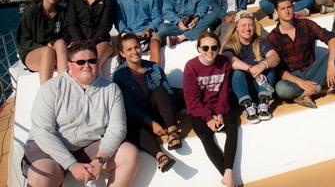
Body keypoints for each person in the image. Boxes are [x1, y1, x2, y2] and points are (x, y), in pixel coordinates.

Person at [23, 42, 138, 187]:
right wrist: (71, 165)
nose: (87, 65)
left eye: (92, 61)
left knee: (129, 154)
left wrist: (100, 160)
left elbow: (117, 128)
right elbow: (42, 131)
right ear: (69, 65)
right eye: (80, 62)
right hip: (51, 148)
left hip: (89, 145)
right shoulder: (51, 88)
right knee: (42, 177)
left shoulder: (111, 89)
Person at [112, 33, 181, 173]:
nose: (134, 52)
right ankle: (160, 156)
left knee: (160, 90)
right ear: (122, 53)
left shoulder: (154, 67)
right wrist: (149, 122)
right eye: (129, 49)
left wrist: (165, 115)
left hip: (160, 113)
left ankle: (173, 132)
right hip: (140, 119)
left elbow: (169, 94)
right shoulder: (119, 75)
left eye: (136, 47)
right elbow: (129, 107)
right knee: (129, 124)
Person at [183, 32, 238, 187]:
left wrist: (219, 113)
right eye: (205, 47)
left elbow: (224, 92)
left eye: (214, 47)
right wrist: (208, 118)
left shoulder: (224, 63)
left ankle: (228, 173)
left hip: (220, 106)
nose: (210, 51)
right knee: (205, 136)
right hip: (199, 110)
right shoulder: (191, 67)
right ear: (199, 49)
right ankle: (229, 180)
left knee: (233, 128)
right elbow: (192, 100)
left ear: (218, 48)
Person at [267, 0, 335, 108]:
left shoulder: (306, 24)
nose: (287, 11)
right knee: (281, 89)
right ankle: (321, 89)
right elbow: (279, 70)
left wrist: (330, 64)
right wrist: (301, 82)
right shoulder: (272, 37)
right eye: (283, 9)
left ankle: (307, 93)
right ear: (277, 12)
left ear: (293, 8)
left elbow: (332, 38)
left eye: (289, 7)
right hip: (292, 78)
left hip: (312, 70)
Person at [222, 12, 280, 123]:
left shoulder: (260, 41)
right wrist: (250, 68)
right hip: (242, 89)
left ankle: (264, 103)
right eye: (243, 25)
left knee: (269, 65)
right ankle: (248, 106)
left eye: (250, 25)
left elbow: (275, 57)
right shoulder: (231, 44)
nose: (247, 28)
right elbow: (229, 58)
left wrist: (262, 65)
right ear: (237, 27)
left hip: (260, 86)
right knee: (237, 72)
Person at [17, 0, 68, 84]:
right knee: (47, 51)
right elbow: (23, 40)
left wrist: (53, 43)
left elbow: (67, 35)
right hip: (32, 53)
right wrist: (44, 46)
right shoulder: (32, 12)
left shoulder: (63, 13)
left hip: (56, 51)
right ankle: (45, 93)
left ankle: (65, 85)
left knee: (61, 43)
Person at [66, 0, 115, 70]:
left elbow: (105, 25)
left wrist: (92, 42)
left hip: (101, 41)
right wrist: (81, 43)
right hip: (78, 41)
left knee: (94, 64)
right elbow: (72, 23)